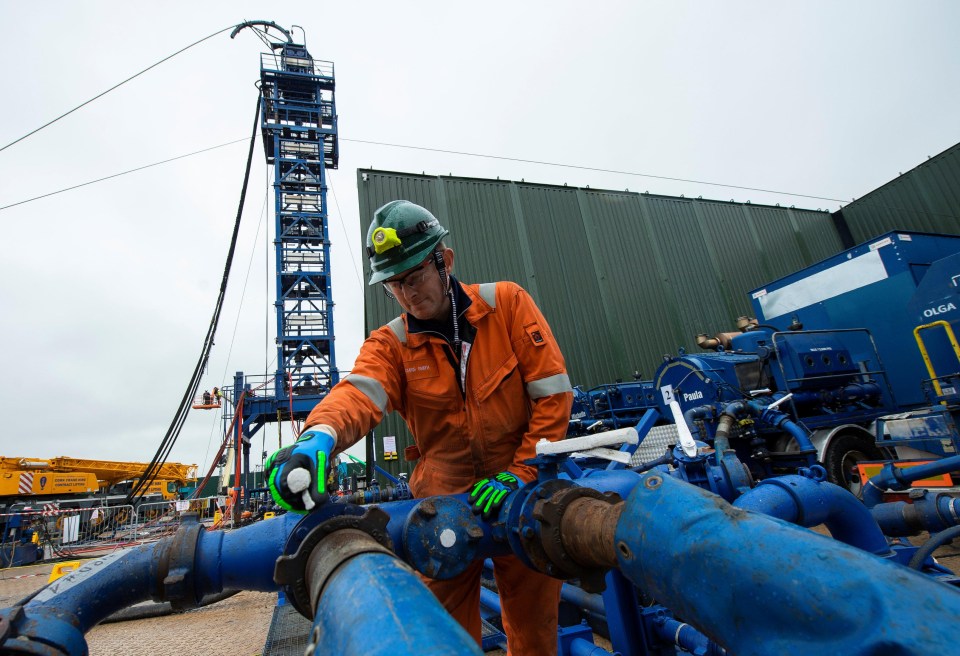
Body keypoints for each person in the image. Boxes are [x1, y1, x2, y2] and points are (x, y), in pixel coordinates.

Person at [265, 200, 572, 655]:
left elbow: (553, 395)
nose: (407, 293)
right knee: (442, 636)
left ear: (443, 261)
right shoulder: (391, 344)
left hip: (521, 494)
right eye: (394, 283)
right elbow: (359, 392)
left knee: (534, 632)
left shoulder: (506, 305)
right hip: (442, 508)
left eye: (414, 276)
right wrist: (319, 437)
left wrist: (523, 473)